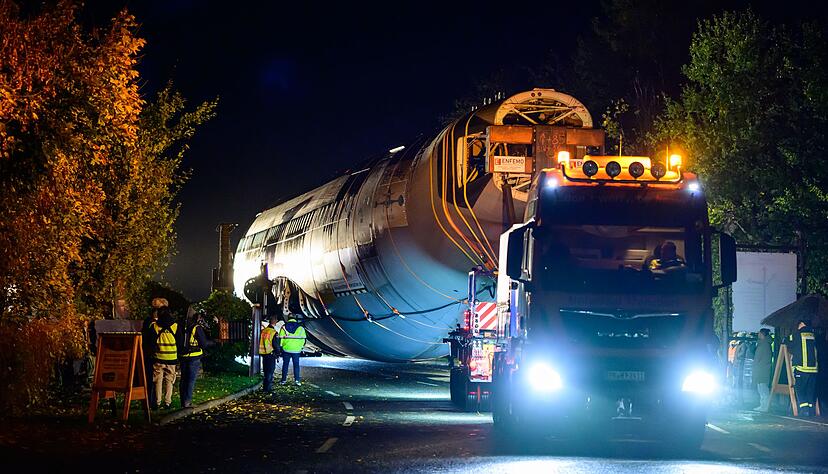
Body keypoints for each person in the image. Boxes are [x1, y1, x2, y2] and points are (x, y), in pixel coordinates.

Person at [178, 306, 211, 408]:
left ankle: (183, 401)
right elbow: (204, 343)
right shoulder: (196, 328)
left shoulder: (181, 326)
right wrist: (213, 342)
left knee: (183, 379)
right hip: (194, 357)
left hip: (183, 356)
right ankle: (187, 402)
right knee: (190, 380)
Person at [789, 318, 819, 416]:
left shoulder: (797, 335)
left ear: (802, 324)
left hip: (801, 369)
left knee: (800, 389)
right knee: (810, 391)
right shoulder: (813, 335)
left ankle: (804, 410)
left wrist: (785, 342)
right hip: (813, 370)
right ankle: (810, 410)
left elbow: (790, 345)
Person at [142, 297, 168, 408]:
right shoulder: (153, 323)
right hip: (153, 354)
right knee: (152, 379)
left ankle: (152, 401)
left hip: (151, 353)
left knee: (153, 379)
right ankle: (152, 402)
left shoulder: (149, 321)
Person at [151, 306, 178, 409]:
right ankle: (167, 402)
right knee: (169, 380)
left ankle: (157, 402)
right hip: (171, 358)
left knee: (158, 380)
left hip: (158, 357)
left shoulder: (155, 326)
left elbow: (152, 341)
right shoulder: (175, 326)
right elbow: (179, 341)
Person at [279, 315, 307, 386]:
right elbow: (303, 339)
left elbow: (281, 339)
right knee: (296, 365)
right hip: (296, 350)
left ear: (288, 319)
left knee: (285, 365)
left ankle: (283, 380)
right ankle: (297, 380)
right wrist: (300, 347)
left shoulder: (284, 327)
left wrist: (282, 346)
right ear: (296, 319)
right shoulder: (301, 328)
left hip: (286, 349)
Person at [753, 328, 772, 412]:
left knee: (763, 388)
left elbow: (759, 358)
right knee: (761, 388)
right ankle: (763, 405)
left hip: (762, 369)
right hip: (761, 369)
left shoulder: (764, 345)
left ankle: (765, 406)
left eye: (759, 333)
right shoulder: (764, 344)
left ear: (762, 334)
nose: (758, 335)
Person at [259, 316, 280, 392]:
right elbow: (276, 345)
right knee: (270, 372)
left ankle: (265, 388)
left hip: (264, 354)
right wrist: (278, 354)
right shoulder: (273, 332)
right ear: (275, 321)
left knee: (266, 371)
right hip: (271, 354)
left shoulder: (263, 331)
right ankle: (267, 389)